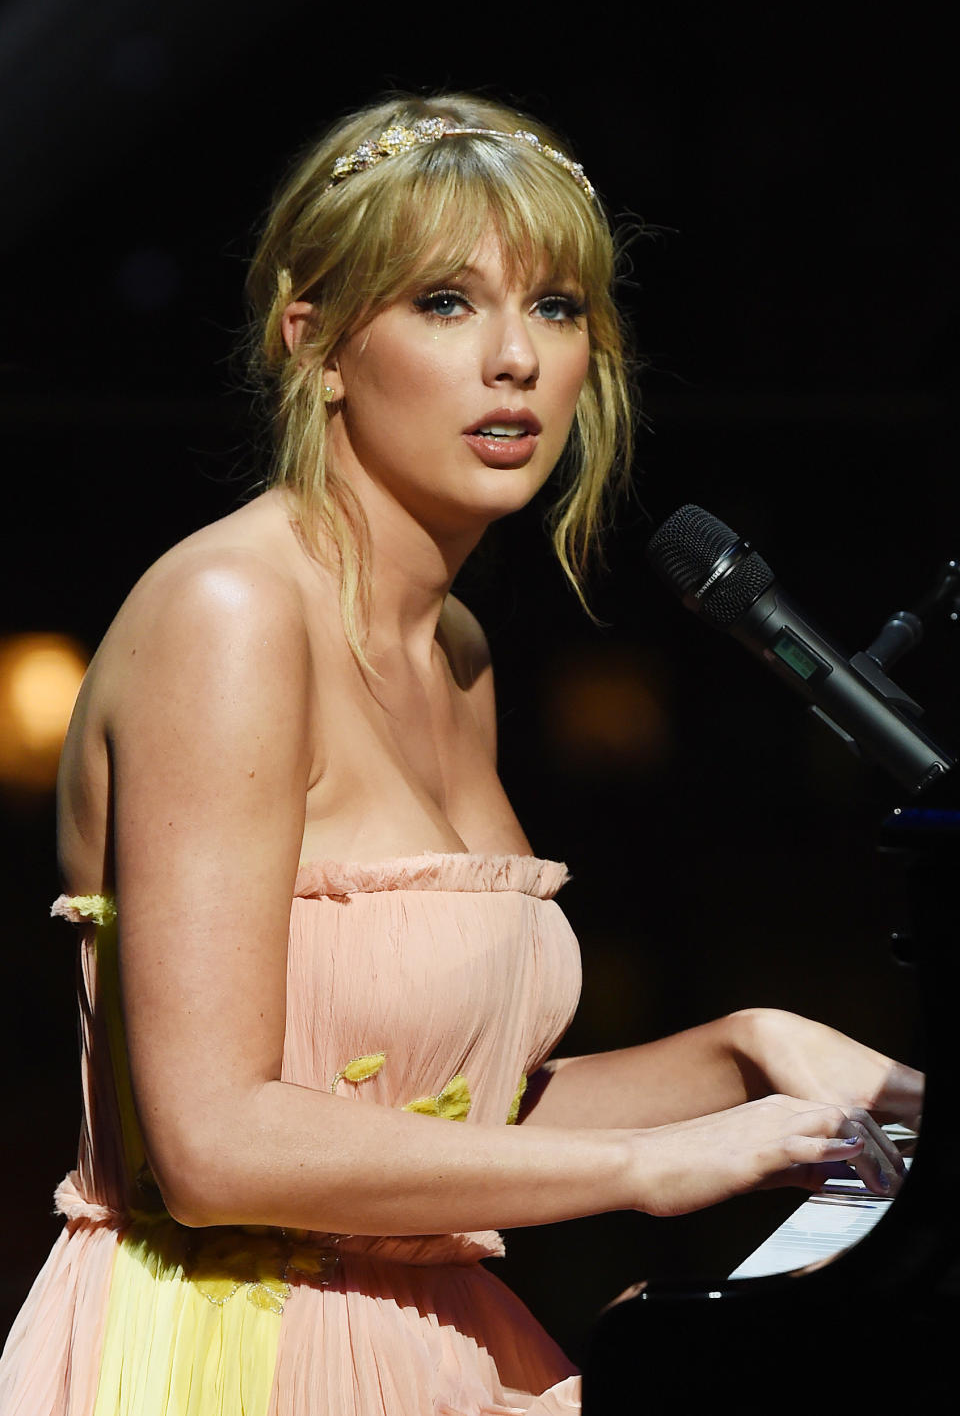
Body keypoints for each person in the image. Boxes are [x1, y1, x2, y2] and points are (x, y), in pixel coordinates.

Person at [0, 92, 922, 1416]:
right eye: (444, 302)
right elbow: (214, 1143)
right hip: (233, 1355)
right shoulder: (232, 614)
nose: (516, 359)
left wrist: (748, 1054)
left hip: (425, 1336)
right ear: (309, 341)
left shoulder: (460, 652)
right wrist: (657, 1164)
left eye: (554, 307)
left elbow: (438, 1121)